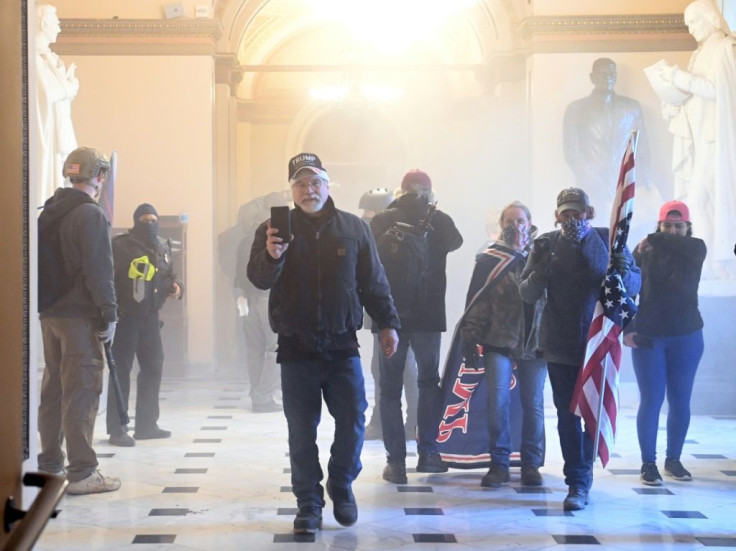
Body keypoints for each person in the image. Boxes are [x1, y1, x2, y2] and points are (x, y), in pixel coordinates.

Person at [247, 153, 400, 534]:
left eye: (315, 182)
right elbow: (258, 279)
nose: (308, 190)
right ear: (292, 190)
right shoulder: (272, 229)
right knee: (301, 431)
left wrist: (388, 323)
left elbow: (374, 282)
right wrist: (272, 255)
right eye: (300, 184)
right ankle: (308, 504)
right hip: (295, 346)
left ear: (328, 186)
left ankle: (341, 483)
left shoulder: (353, 229)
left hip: (341, 345)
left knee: (352, 422)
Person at [520, 187, 640, 511]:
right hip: (559, 344)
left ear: (589, 213)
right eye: (566, 212)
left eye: (578, 212)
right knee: (567, 415)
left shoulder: (606, 238)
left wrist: (622, 270)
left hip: (597, 343)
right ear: (557, 215)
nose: (572, 218)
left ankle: (583, 476)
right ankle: (576, 480)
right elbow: (526, 292)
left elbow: (633, 286)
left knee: (592, 414)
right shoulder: (545, 243)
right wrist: (543, 268)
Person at [370, 169, 463, 484]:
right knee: (427, 383)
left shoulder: (383, 219)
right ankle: (428, 453)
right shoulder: (439, 220)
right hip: (426, 316)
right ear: (429, 192)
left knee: (389, 388)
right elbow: (457, 241)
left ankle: (395, 463)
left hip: (389, 317)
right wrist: (428, 209)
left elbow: (369, 254)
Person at [37, 146, 120, 494]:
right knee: (82, 389)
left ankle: (51, 466)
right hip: (79, 316)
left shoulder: (49, 210)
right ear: (99, 175)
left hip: (50, 313)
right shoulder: (90, 214)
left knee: (54, 387)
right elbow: (99, 269)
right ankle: (83, 472)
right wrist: (110, 312)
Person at [460, 201, 546, 488]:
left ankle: (531, 464)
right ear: (501, 224)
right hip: (499, 338)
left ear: (530, 222)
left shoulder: (544, 254)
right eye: (509, 221)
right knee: (497, 401)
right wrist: (470, 336)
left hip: (535, 341)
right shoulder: (489, 258)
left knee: (533, 403)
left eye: (520, 220)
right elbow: (476, 300)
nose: (515, 225)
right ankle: (499, 463)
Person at [623, 200, 706, 485]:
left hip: (687, 335)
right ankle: (649, 463)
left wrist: (654, 238)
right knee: (651, 400)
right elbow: (627, 288)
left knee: (680, 399)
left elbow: (678, 246)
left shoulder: (696, 248)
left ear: (687, 228)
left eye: (678, 226)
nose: (672, 231)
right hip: (650, 336)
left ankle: (674, 459)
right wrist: (628, 327)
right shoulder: (644, 251)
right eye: (666, 225)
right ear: (659, 225)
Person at [655, 0, 736, 277]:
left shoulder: (724, 47)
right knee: (699, 201)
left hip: (716, 138)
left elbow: (719, 90)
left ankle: (719, 260)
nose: (690, 29)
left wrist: (680, 78)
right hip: (703, 137)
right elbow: (699, 97)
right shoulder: (702, 52)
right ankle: (712, 260)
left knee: (709, 199)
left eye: (693, 22)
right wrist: (674, 97)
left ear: (710, 19)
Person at [105, 203, 183, 446]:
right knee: (121, 372)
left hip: (150, 316)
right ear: (136, 221)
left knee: (153, 367)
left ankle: (147, 425)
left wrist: (176, 286)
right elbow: (110, 278)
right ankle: (118, 429)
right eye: (144, 220)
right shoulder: (120, 246)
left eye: (153, 220)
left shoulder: (162, 245)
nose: (149, 224)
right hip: (126, 317)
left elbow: (169, 273)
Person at [359, 187, 418, 441]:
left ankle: (413, 423)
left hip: (397, 313)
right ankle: (384, 421)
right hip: (382, 313)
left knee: (405, 370)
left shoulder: (396, 240)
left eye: (370, 212)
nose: (365, 217)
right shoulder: (375, 234)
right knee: (381, 369)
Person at [563, 58, 650, 215]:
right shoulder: (576, 109)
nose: (608, 78)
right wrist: (592, 176)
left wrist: (641, 179)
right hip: (591, 186)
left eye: (612, 73)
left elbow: (641, 146)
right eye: (602, 74)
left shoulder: (631, 107)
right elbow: (572, 150)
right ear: (592, 77)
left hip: (625, 184)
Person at [233, 192, 290, 412]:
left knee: (255, 349)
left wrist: (240, 294)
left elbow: (238, 271)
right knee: (277, 347)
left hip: (249, 296)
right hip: (269, 296)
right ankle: (263, 396)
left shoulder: (247, 236)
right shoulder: (276, 232)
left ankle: (257, 392)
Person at [36, 4, 79, 202]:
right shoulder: (34, 59)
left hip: (57, 134)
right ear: (43, 23)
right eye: (56, 23)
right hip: (47, 137)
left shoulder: (48, 59)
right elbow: (45, 94)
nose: (59, 28)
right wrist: (70, 87)